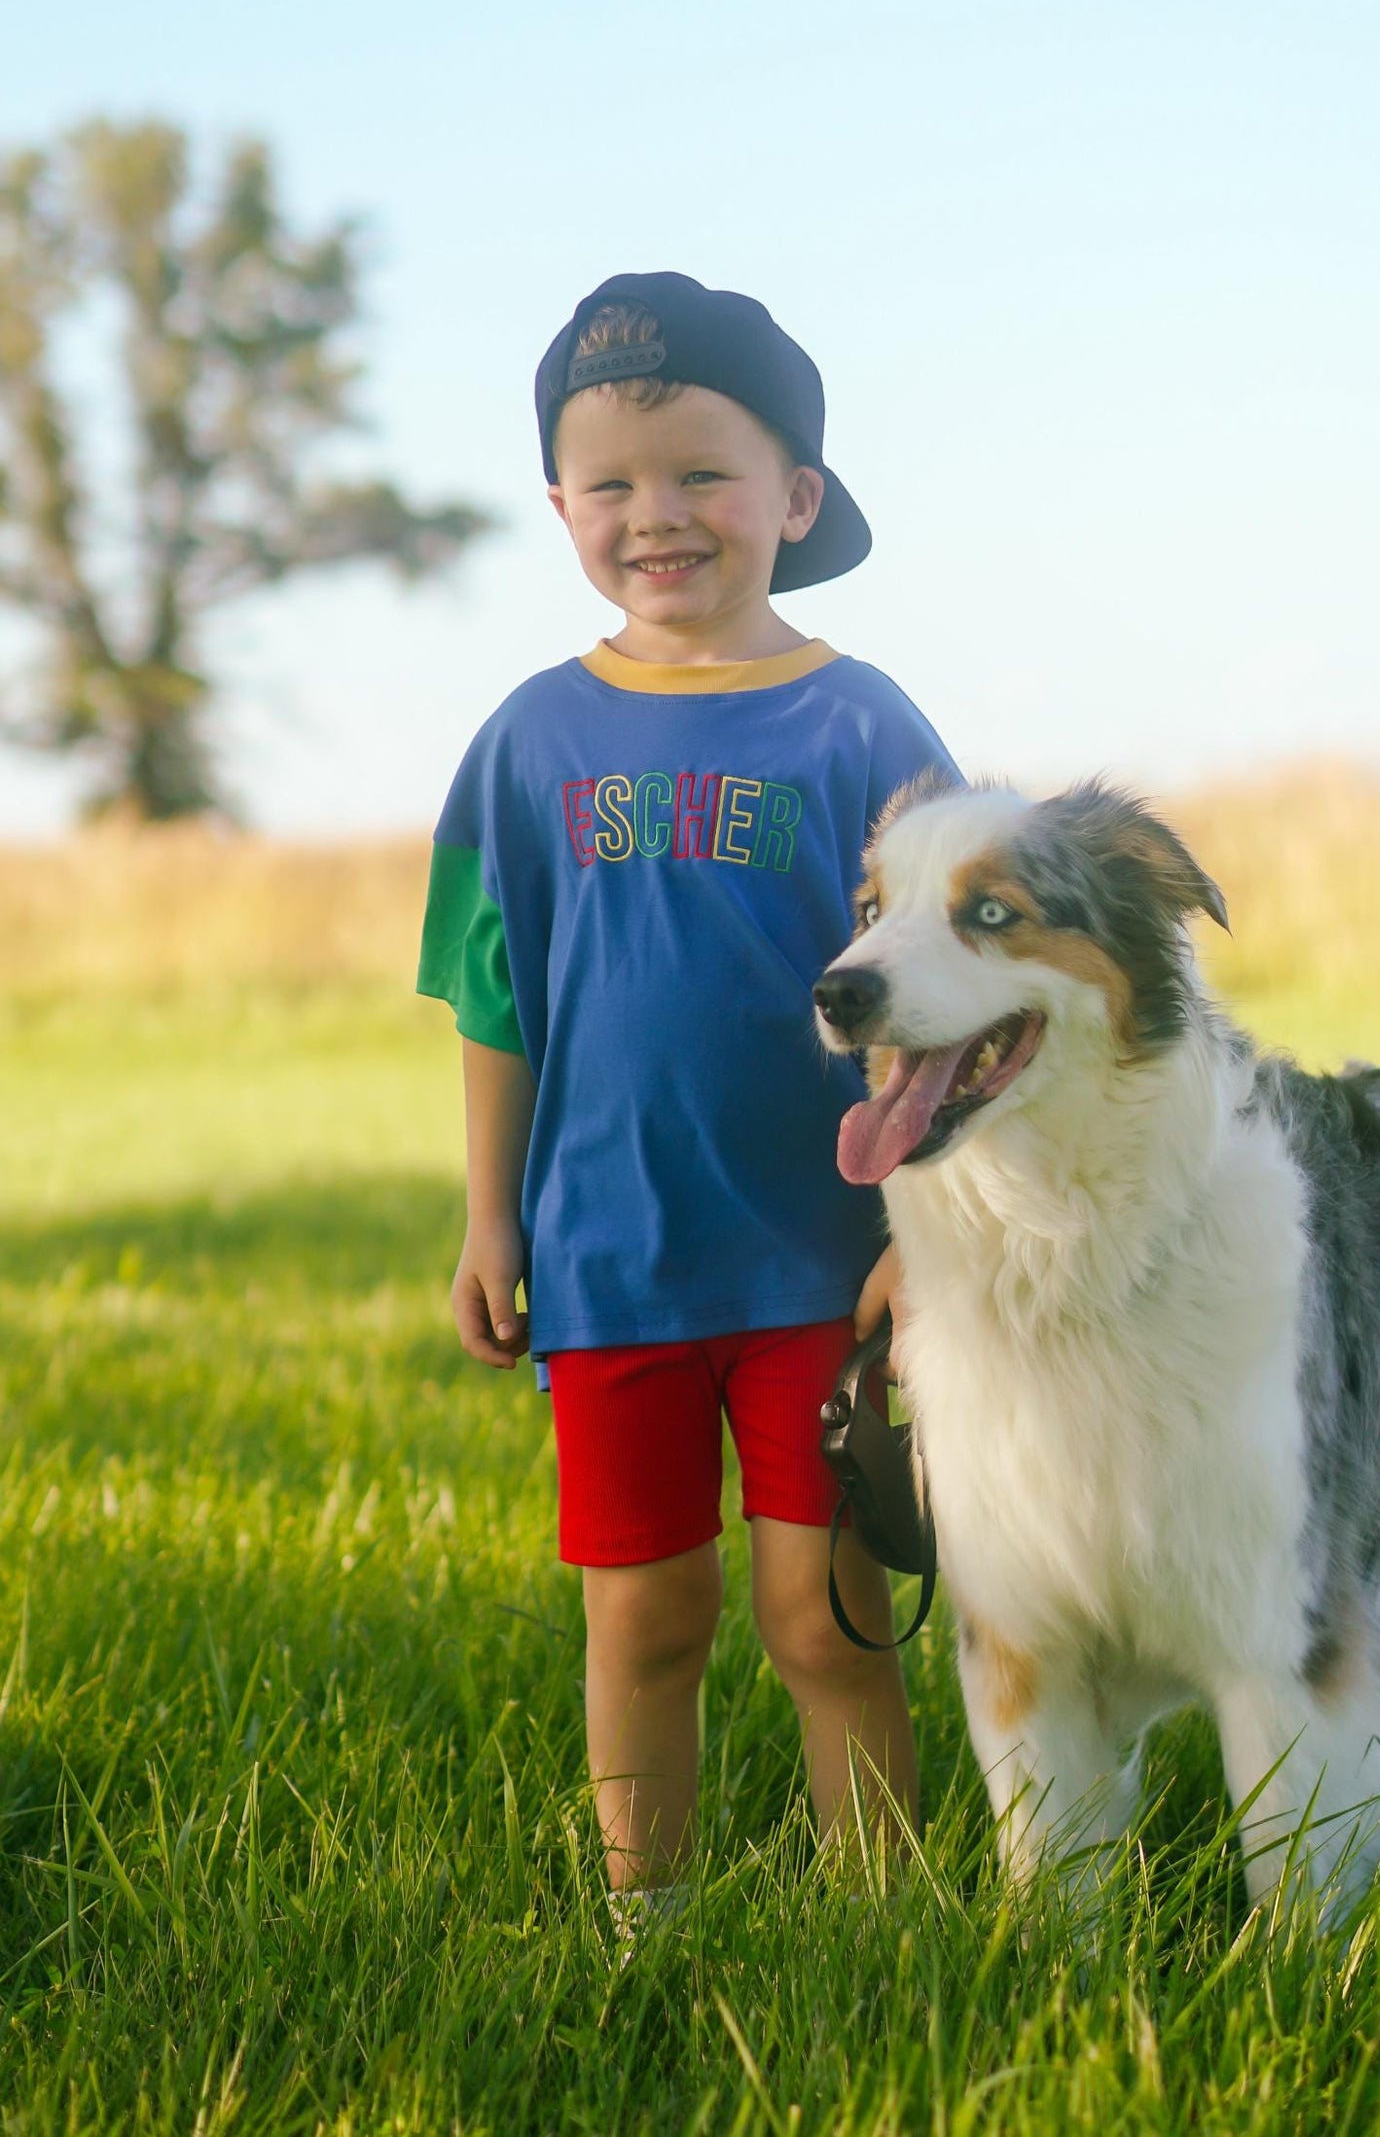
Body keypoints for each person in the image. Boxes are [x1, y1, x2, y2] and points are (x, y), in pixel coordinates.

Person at [417, 271, 957, 1922]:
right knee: (641, 1619)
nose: (658, 517)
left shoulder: (862, 723)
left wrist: (919, 1237)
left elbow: (947, 1001)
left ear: (795, 495)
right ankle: (641, 1923)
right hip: (612, 1262)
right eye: (610, 485)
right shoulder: (530, 740)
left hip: (819, 1258)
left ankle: (882, 1928)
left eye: (702, 476)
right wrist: (490, 1214)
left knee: (825, 1619)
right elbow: (494, 996)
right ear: (562, 507)